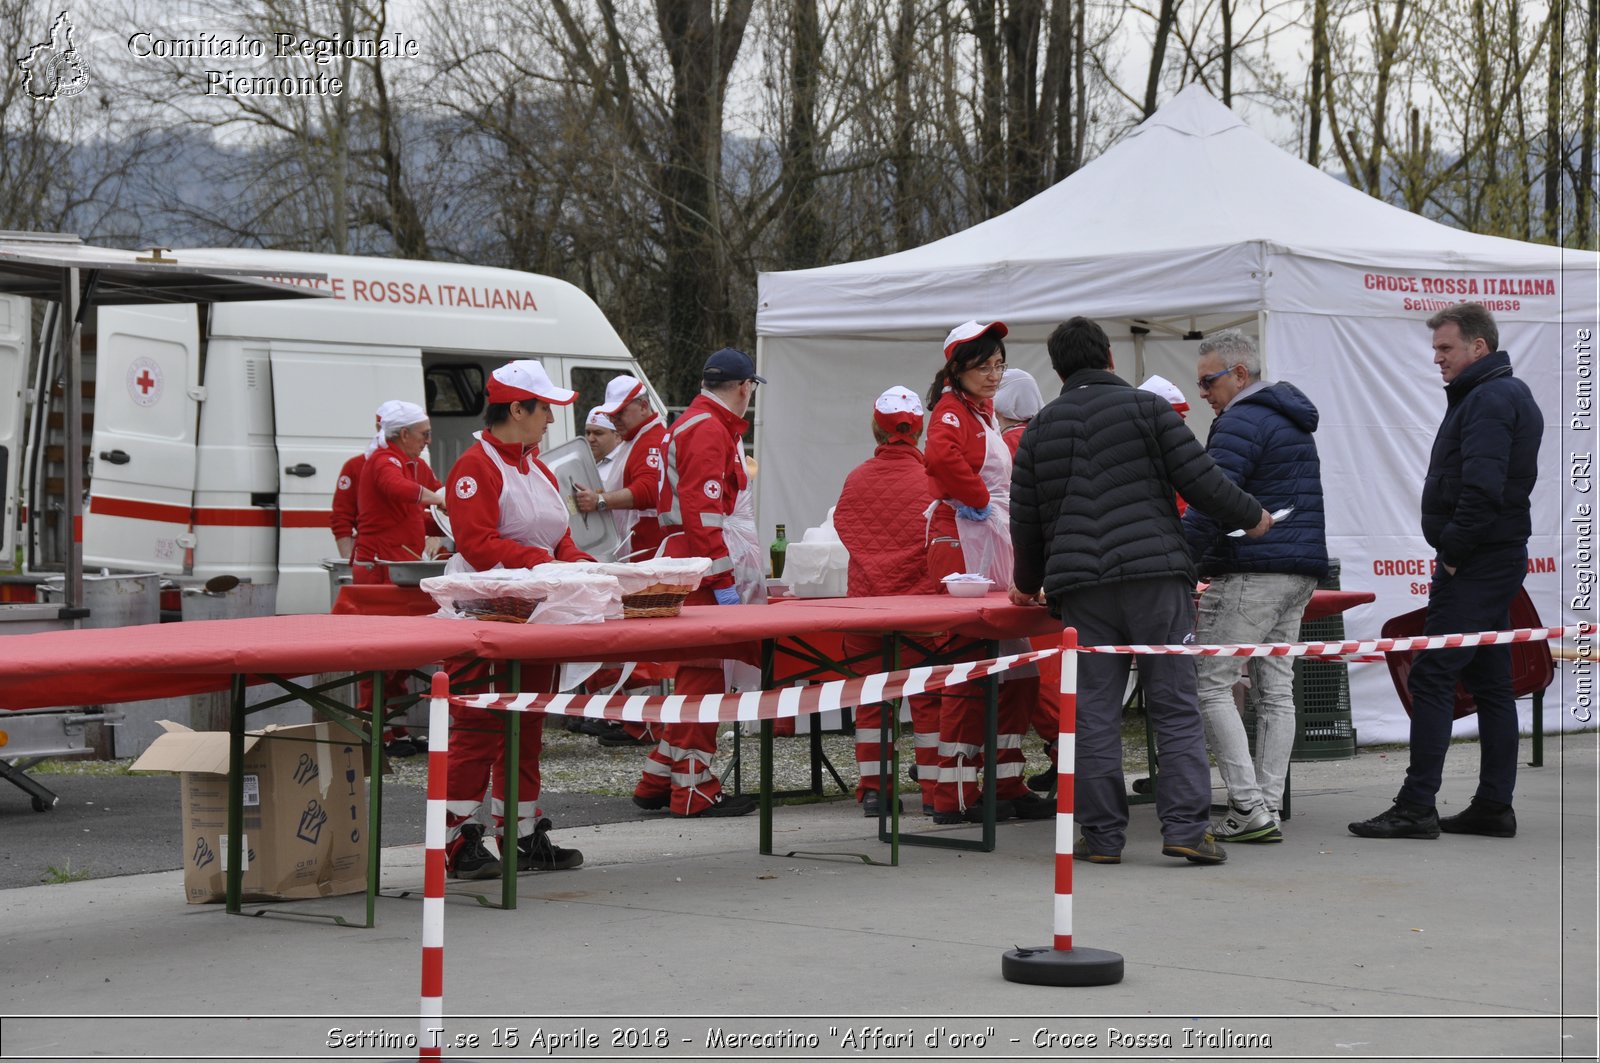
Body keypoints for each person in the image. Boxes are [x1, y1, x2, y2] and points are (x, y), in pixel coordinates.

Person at [1009, 315, 1272, 866]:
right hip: (1156, 581)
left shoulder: (1038, 429)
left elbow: (1026, 521)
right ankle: (1184, 831)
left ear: (1058, 370)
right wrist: (1252, 518)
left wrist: (1026, 585)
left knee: (1095, 712)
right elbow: (1200, 481)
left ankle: (1101, 837)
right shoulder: (1148, 409)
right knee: (1174, 705)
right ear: (1110, 357)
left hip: (1081, 590)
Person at [1349, 303, 1543, 841]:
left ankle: (1416, 807)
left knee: (1434, 675)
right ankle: (1492, 807)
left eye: (1445, 348)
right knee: (1491, 683)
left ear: (1478, 347)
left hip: (1478, 560)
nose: (1437, 359)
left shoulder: (1490, 398)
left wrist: (1454, 552)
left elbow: (1483, 488)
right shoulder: (1497, 394)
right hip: (1492, 556)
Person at [439, 359, 590, 878]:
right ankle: (453, 841)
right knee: (478, 726)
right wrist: (543, 562)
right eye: (545, 408)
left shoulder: (538, 467)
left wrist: (585, 565)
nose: (551, 419)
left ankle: (521, 836)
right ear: (518, 409)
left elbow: (559, 537)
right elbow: (478, 547)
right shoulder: (473, 468)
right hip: (482, 612)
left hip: (535, 611)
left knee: (526, 722)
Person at [1182, 330, 1328, 844]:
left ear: (1238, 375)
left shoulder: (1239, 420)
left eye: (1207, 381)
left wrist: (1181, 559)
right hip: (1299, 570)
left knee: (1211, 683)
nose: (1202, 392)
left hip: (1252, 569)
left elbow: (1213, 498)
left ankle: (1247, 806)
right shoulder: (1289, 416)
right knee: (1276, 689)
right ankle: (1264, 805)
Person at [923, 321, 1053, 824]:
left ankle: (1004, 779)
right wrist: (975, 500)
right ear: (959, 368)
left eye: (999, 365)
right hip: (965, 548)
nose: (994, 375)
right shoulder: (951, 411)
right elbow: (939, 457)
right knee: (968, 668)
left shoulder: (980, 413)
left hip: (988, 544)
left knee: (1017, 669)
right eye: (984, 366)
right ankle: (953, 794)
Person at [626, 349, 762, 818]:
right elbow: (704, 515)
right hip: (701, 561)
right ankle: (695, 791)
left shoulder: (696, 422)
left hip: (691, 557)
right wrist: (724, 578)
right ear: (745, 387)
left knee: (694, 676)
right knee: (704, 677)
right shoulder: (709, 429)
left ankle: (659, 778)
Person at [832, 386, 941, 816]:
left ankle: (876, 790)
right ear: (919, 430)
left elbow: (844, 526)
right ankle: (936, 791)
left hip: (865, 608)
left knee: (872, 699)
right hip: (921, 609)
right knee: (930, 699)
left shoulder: (857, 478)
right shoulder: (932, 479)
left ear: (876, 427)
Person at [350, 400, 443, 757]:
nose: (428, 441)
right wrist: (436, 497)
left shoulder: (415, 464)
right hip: (378, 569)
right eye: (424, 434)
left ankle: (396, 727)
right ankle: (373, 729)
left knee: (400, 656)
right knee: (376, 655)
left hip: (401, 567)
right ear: (403, 434)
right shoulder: (383, 461)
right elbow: (398, 489)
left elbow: (436, 500)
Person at [573, 376, 667, 560]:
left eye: (620, 412)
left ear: (643, 406)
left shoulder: (652, 441)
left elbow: (649, 489)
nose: (613, 419)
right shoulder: (636, 439)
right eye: (610, 414)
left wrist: (601, 500)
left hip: (648, 554)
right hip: (638, 550)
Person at [330, 399, 408, 560]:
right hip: (374, 556)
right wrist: (347, 559)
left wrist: (434, 538)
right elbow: (341, 517)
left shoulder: (417, 465)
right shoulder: (355, 466)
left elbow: (437, 505)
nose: (427, 441)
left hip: (410, 553)